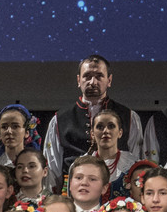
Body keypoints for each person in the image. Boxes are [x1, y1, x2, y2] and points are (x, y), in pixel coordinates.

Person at [44, 55, 146, 191]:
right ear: (78, 80)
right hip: (75, 194)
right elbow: (52, 168)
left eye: (99, 76)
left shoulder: (129, 116)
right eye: (87, 76)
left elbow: (137, 163)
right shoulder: (60, 119)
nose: (93, 82)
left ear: (109, 80)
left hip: (119, 193)